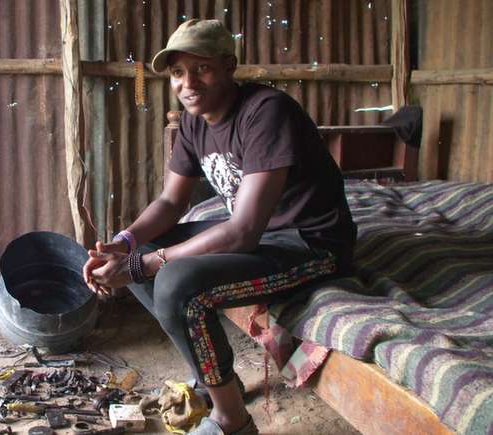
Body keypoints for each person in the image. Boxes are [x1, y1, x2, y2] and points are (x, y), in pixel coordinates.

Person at [82, 19, 356, 435]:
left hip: (310, 245)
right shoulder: (194, 121)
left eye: (202, 68)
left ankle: (232, 420)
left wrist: (147, 263)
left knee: (175, 282)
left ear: (229, 65)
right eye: (177, 72)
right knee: (141, 254)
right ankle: (213, 382)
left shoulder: (267, 113)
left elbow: (242, 231)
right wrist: (123, 244)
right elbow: (171, 202)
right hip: (257, 238)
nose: (188, 82)